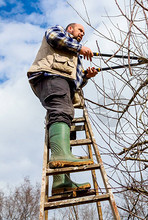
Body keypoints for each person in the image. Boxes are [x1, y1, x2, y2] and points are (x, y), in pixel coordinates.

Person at [27, 23, 98, 195]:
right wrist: (80, 48)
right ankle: (59, 156)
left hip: (63, 84)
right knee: (61, 111)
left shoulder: (76, 59)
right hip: (50, 77)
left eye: (83, 32)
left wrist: (86, 76)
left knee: (67, 122)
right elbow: (54, 39)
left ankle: (61, 183)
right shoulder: (57, 30)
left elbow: (76, 82)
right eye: (80, 30)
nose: (82, 33)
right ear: (70, 29)